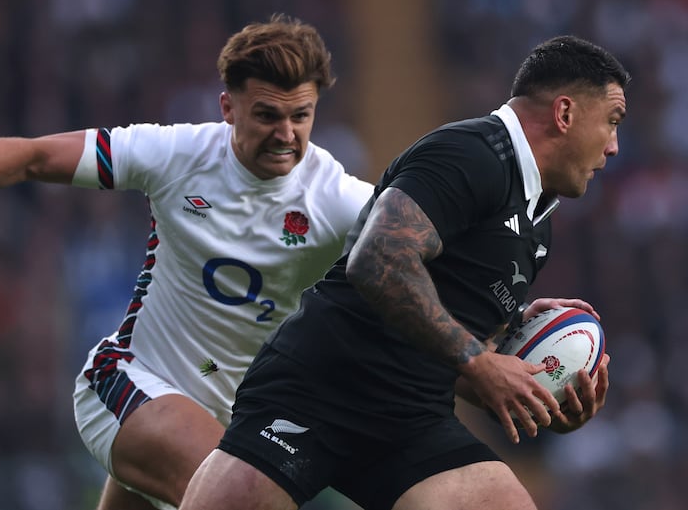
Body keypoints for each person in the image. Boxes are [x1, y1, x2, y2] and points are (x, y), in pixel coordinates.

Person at [0, 14, 374, 510]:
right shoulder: (176, 154)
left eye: (301, 116)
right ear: (228, 107)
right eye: (268, 115)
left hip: (230, 420)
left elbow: (421, 246)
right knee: (241, 495)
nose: (286, 134)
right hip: (130, 380)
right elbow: (35, 156)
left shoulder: (338, 200)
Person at [179, 35, 629, 510]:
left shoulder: (538, 228)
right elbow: (377, 260)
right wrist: (479, 360)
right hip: (318, 388)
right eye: (612, 122)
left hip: (410, 420)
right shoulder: (471, 154)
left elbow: (452, 353)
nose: (615, 146)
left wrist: (541, 393)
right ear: (565, 113)